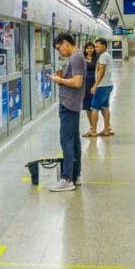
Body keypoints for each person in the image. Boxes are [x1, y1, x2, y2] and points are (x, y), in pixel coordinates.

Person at [48, 33, 85, 192]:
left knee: (66, 141)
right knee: (74, 141)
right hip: (72, 104)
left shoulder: (76, 57)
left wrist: (59, 80)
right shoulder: (77, 56)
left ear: (65, 43)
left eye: (59, 48)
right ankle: (75, 174)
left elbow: (77, 82)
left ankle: (67, 178)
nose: (59, 52)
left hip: (69, 105)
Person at [88, 38, 114, 137]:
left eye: (97, 46)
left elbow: (101, 71)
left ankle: (93, 130)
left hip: (102, 86)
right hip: (108, 85)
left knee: (94, 108)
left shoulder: (103, 56)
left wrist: (95, 85)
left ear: (104, 46)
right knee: (105, 107)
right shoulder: (107, 55)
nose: (95, 48)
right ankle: (106, 130)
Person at [80, 42, 97, 129]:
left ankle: (94, 126)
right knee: (87, 105)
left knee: (94, 105)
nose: (90, 50)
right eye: (88, 48)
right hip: (85, 83)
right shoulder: (82, 58)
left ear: (94, 49)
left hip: (95, 82)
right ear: (85, 49)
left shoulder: (97, 58)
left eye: (91, 48)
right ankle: (91, 126)